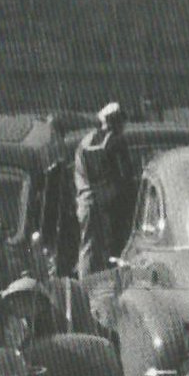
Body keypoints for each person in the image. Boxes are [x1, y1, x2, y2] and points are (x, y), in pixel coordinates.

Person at [73, 100, 137, 277]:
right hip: (111, 206)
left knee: (88, 249)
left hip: (87, 203)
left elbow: (79, 173)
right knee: (116, 250)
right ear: (113, 122)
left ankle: (85, 284)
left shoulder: (85, 142)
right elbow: (127, 176)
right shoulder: (116, 141)